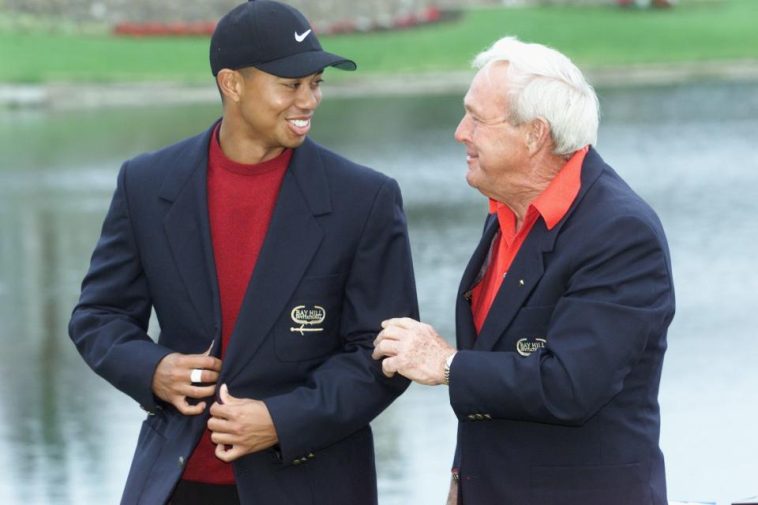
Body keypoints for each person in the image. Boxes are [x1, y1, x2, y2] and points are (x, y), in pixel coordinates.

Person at [68, 1, 418, 504]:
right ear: (232, 84)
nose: (309, 101)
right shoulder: (145, 184)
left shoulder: (365, 199)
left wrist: (282, 420)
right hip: (176, 486)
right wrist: (152, 370)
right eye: (290, 85)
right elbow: (98, 316)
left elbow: (383, 354)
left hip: (310, 485)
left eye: (316, 82)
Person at [373, 36, 674, 505]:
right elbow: (496, 358)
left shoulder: (620, 232)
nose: (460, 131)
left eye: (477, 117)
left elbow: (570, 386)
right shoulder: (507, 210)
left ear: (534, 134)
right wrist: (462, 476)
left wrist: (446, 364)